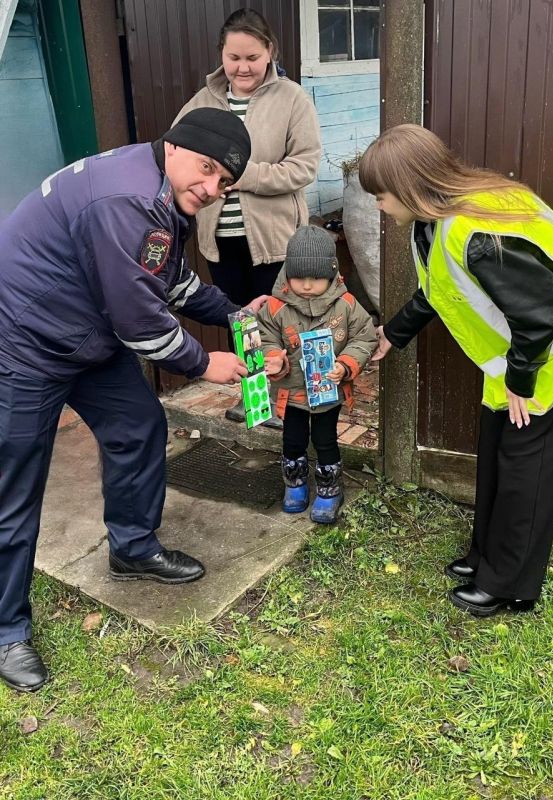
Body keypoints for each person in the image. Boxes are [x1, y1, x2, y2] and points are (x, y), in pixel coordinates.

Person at [0, 108, 269, 692]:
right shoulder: (128, 199)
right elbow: (140, 320)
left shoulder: (161, 193)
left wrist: (233, 313)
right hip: (24, 341)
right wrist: (205, 364)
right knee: (16, 481)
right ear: (175, 146)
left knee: (139, 425)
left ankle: (133, 548)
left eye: (224, 182)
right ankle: (6, 630)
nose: (211, 188)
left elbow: (169, 280)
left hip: (83, 332)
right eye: (207, 169)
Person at [360, 124, 553, 617]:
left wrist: (520, 381)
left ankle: (510, 585)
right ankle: (485, 557)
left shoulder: (476, 234)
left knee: (529, 463)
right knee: (497, 448)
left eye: (381, 195)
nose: (379, 206)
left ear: (409, 187)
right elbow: (441, 288)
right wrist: (394, 333)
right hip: (533, 346)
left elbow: (538, 314)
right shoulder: (437, 220)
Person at [174, 8, 321, 426]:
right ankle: (255, 400)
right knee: (242, 321)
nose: (242, 67)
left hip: (275, 239)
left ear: (270, 51)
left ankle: (289, 399)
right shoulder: (203, 102)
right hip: (222, 241)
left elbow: (305, 166)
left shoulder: (292, 98)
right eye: (233, 57)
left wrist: (245, 175)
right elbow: (176, 154)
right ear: (221, 54)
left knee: (281, 318)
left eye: (252, 57)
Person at [257, 226, 377, 524]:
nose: (307, 285)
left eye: (316, 278)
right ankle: (295, 484)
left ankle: (329, 489)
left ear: (332, 274)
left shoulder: (346, 305)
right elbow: (264, 336)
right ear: (288, 272)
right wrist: (273, 358)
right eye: (299, 277)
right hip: (291, 391)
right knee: (292, 438)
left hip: (328, 391)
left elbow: (364, 336)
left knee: (325, 440)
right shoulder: (275, 306)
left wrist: (346, 364)